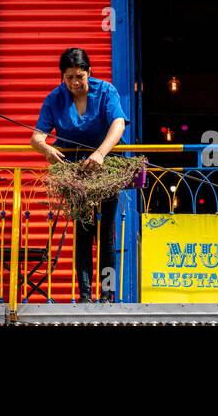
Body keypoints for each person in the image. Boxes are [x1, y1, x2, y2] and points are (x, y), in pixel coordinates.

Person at [31, 47, 129, 302]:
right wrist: (46, 148)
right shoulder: (55, 98)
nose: (75, 82)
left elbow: (118, 123)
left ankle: (107, 294)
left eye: (80, 76)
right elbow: (36, 137)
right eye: (69, 77)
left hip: (106, 168)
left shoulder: (106, 91)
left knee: (105, 234)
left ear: (89, 72)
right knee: (83, 232)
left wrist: (100, 154)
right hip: (77, 174)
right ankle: (85, 295)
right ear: (62, 77)